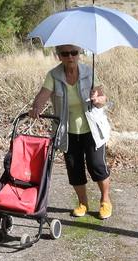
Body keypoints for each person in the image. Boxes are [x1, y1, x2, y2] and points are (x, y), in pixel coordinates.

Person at [29, 44, 112, 219]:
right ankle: (83, 203)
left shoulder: (89, 72)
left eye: (74, 53)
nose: (70, 57)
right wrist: (36, 107)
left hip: (92, 129)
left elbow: (103, 99)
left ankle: (105, 200)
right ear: (59, 55)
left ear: (79, 53)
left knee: (96, 165)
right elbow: (43, 94)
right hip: (67, 131)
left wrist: (98, 99)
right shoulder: (53, 75)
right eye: (65, 54)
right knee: (75, 169)